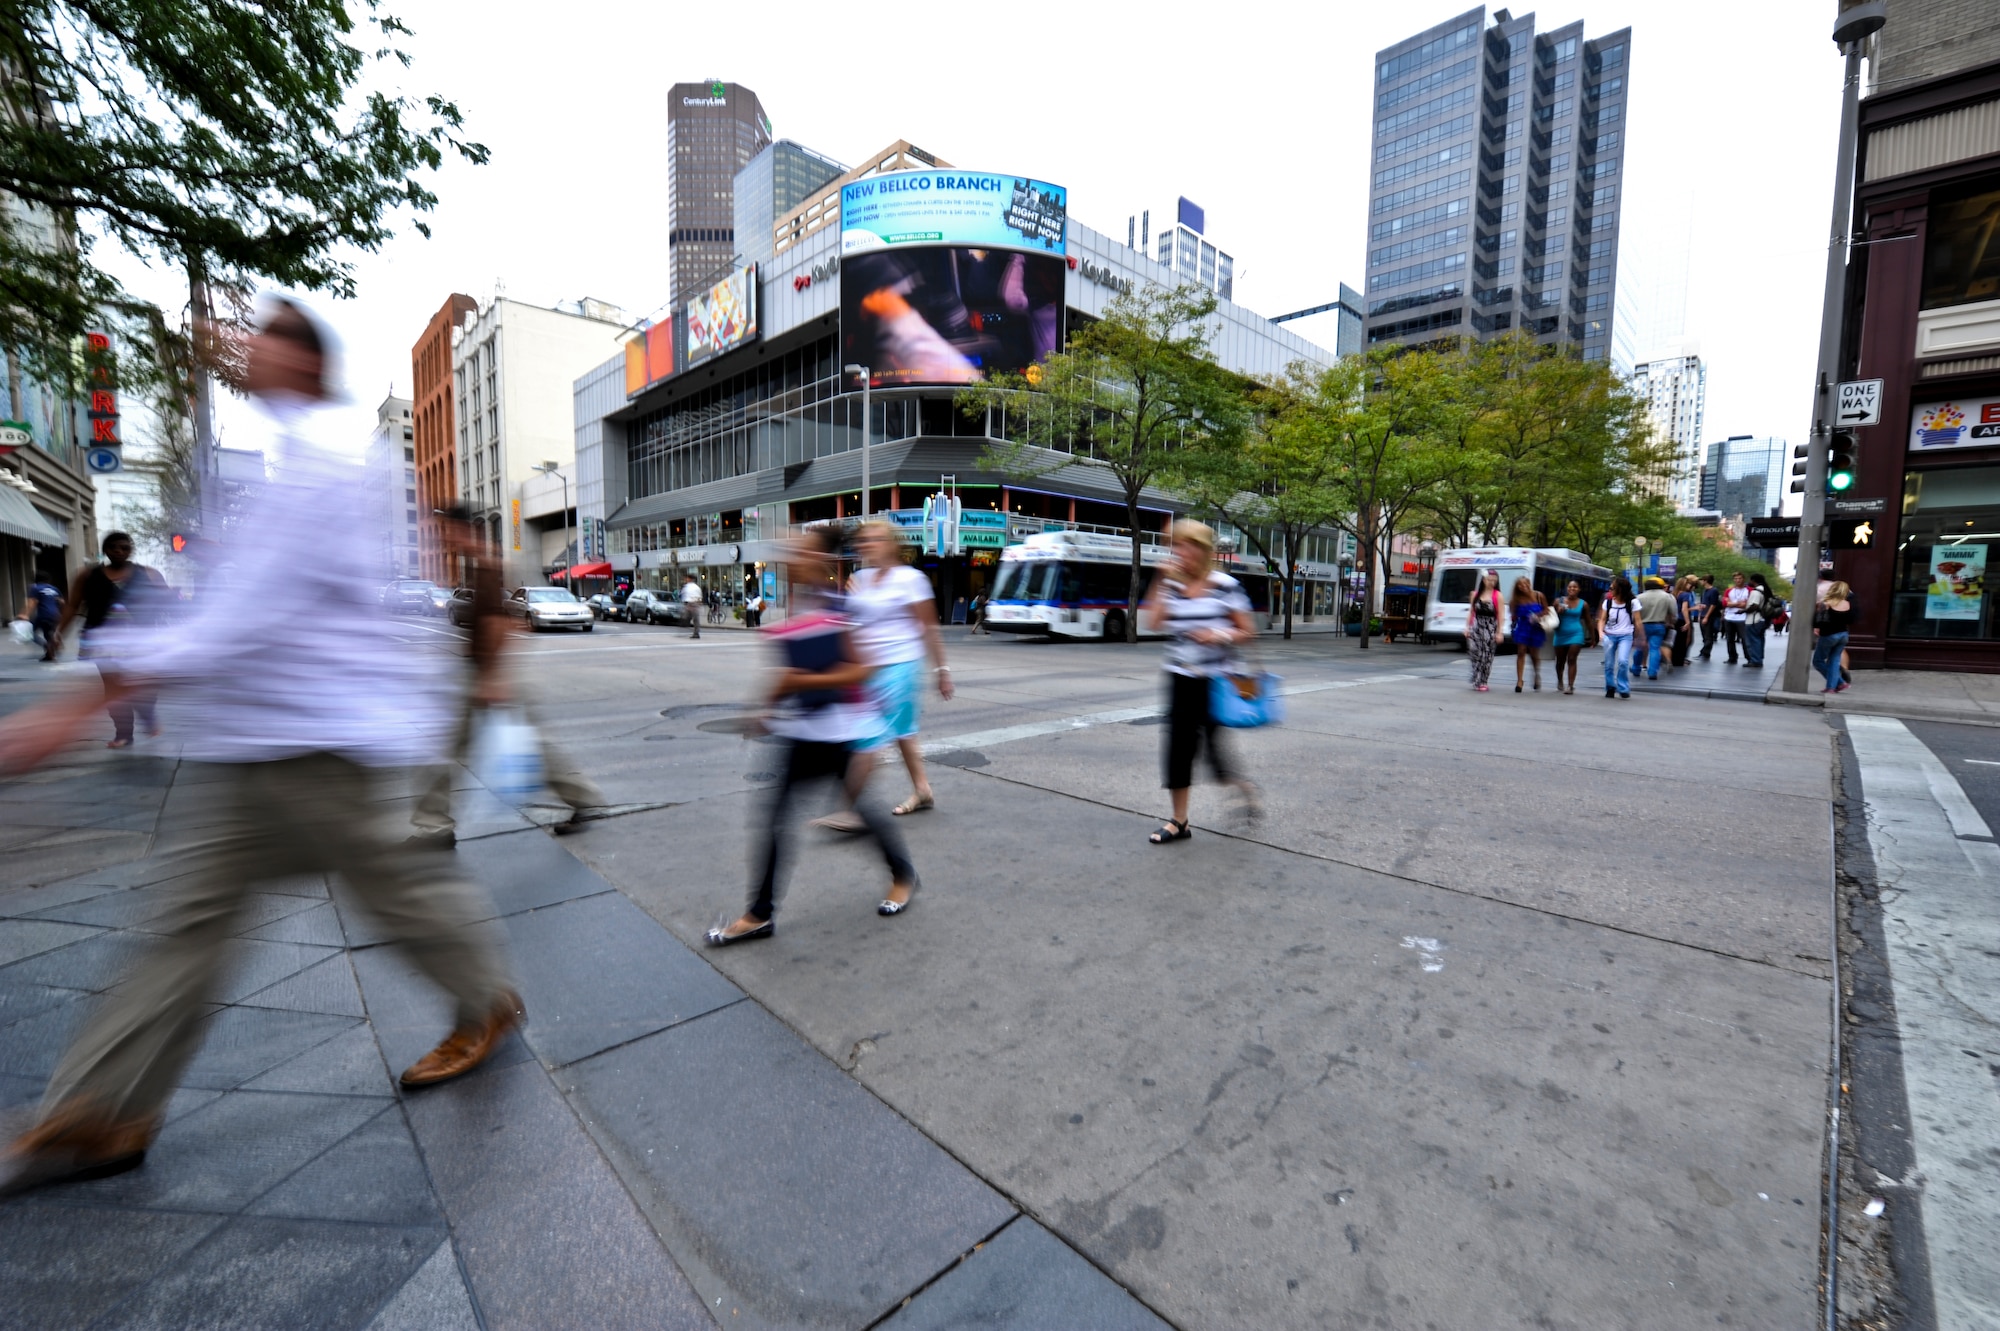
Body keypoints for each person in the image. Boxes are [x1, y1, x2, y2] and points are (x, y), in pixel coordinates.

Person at [0, 299, 519, 1196]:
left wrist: (91, 696)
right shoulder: (279, 475)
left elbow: (240, 618)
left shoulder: (321, 473)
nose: (244, 350)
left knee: (395, 898)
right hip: (249, 748)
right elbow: (225, 609)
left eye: (266, 338)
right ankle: (101, 1107)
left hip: (321, 748)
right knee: (186, 930)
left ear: (308, 365)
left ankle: (485, 998)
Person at [705, 527, 920, 944]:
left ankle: (903, 874)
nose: (790, 558)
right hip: (800, 734)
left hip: (838, 734)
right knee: (773, 820)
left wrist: (800, 683)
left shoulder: (841, 606)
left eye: (800, 552)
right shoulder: (799, 605)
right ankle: (760, 913)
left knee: (865, 811)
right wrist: (770, 708)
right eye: (788, 551)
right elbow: (789, 675)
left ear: (820, 561)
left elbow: (862, 669)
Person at [409, 504, 605, 846]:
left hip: (485, 679)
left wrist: (494, 677)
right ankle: (580, 797)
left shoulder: (487, 567)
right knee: (527, 748)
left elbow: (502, 623)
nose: (449, 538)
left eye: (451, 531)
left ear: (466, 530)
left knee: (446, 751)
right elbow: (513, 621)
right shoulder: (482, 565)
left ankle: (434, 825)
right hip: (484, 676)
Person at [1139, 520, 1261, 843]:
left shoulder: (1226, 586)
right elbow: (1152, 622)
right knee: (1177, 750)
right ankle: (1179, 822)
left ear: (1203, 550)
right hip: (1180, 677)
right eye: (1175, 546)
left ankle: (1243, 787)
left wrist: (1217, 634)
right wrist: (1161, 580)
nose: (1179, 553)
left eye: (1186, 546)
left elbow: (1248, 631)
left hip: (1216, 682)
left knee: (1213, 754)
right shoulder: (1173, 585)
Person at [847, 521, 954, 815]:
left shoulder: (910, 579)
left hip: (902, 664)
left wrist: (941, 671)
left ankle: (850, 809)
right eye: (864, 540)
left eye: (876, 539)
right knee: (903, 732)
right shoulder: (861, 578)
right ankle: (923, 790)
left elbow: (930, 628)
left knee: (869, 733)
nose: (868, 545)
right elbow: (853, 626)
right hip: (869, 668)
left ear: (892, 544)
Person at [53, 531, 168, 746]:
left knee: (141, 683)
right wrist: (59, 633)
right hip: (102, 642)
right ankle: (123, 734)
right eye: (113, 547)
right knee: (114, 688)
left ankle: (148, 715)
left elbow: (168, 602)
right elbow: (72, 605)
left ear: (131, 549)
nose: (119, 551)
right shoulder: (87, 576)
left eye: (124, 547)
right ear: (105, 549)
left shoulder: (150, 574)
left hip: (141, 640)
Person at [1598, 576, 1639, 699]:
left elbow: (1638, 621)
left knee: (1623, 661)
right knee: (1609, 664)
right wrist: (1601, 632)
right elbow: (1602, 619)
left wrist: (1640, 636)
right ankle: (1610, 687)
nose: (1610, 590)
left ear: (1620, 589)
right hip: (1610, 636)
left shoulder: (1633, 602)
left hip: (1625, 635)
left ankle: (1623, 687)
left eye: (1612, 588)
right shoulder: (1608, 602)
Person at [1550, 580, 1592, 695]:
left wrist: (1594, 637)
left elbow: (1588, 621)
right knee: (1560, 661)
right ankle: (1560, 681)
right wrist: (1558, 611)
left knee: (1572, 658)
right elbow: (1550, 616)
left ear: (1579, 589)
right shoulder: (1558, 601)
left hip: (1576, 634)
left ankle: (1570, 685)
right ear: (1567, 589)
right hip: (1560, 634)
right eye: (1570, 587)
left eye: (1575, 587)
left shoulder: (1583, 604)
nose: (1572, 589)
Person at [1463, 569, 1502, 692]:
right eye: (1489, 580)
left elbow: (1501, 615)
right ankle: (1476, 674)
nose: (1491, 583)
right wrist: (1467, 627)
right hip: (1476, 626)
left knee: (1487, 656)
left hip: (1490, 628)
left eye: (1494, 581)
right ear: (1484, 580)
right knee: (1474, 651)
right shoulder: (1475, 594)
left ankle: (1483, 680)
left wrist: (1499, 632)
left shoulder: (1498, 596)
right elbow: (1471, 611)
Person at [1813, 582, 1855, 694]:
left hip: (1829, 635)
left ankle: (1840, 682)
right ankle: (1831, 687)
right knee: (1834, 661)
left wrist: (1817, 627)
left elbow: (1819, 621)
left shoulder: (1825, 604)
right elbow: (1851, 620)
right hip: (1843, 635)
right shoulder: (1848, 604)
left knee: (1818, 661)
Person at [1636, 576, 1677, 681]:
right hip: (1659, 625)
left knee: (1640, 648)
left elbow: (1635, 614)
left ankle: (1636, 668)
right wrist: (1671, 622)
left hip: (1643, 625)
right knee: (1655, 648)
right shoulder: (1667, 597)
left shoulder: (1639, 597)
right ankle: (1652, 672)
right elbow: (1673, 613)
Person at [1510, 577, 1547, 692]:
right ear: (1517, 587)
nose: (1523, 586)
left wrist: (1538, 615)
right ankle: (1519, 680)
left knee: (1534, 654)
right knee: (1521, 652)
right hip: (1523, 627)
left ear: (1529, 584)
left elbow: (1547, 609)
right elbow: (1513, 615)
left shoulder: (1538, 595)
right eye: (1520, 585)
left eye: (1525, 584)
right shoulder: (1516, 599)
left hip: (1536, 627)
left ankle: (1536, 674)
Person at [17, 574, 63, 662]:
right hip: (55, 615)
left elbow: (32, 603)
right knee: (48, 634)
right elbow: (62, 602)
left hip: (43, 615)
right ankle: (50, 654)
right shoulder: (54, 589)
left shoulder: (36, 588)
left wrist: (25, 615)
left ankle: (47, 646)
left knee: (28, 633)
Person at [1742, 573, 1773, 669]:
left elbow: (1754, 605)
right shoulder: (1766, 591)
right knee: (1760, 639)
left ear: (1754, 580)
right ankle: (1759, 658)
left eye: (1750, 580)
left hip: (1754, 619)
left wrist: (1743, 611)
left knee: (1753, 640)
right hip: (1763, 619)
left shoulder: (1756, 592)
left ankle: (1755, 660)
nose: (1749, 582)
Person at [1718, 572, 1750, 664]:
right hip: (1729, 617)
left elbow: (1747, 604)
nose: (1738, 580)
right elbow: (1725, 603)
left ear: (1743, 579)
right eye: (1736, 579)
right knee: (1730, 639)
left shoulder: (1749, 590)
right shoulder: (1729, 591)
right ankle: (1732, 657)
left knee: (1744, 639)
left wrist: (1732, 603)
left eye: (1739, 578)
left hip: (1742, 618)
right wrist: (1738, 603)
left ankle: (1749, 658)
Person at [1670, 576, 1698, 668]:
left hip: (1674, 619)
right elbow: (1684, 609)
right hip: (1681, 619)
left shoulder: (1674, 594)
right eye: (1688, 583)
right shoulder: (1685, 594)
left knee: (1675, 640)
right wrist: (1687, 622)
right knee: (1682, 641)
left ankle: (1672, 659)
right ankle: (1679, 660)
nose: (1690, 585)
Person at [1696, 575, 1721, 659]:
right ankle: (1704, 652)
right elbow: (1702, 603)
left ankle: (1705, 652)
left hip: (1709, 616)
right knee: (1704, 636)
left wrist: (1707, 616)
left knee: (1708, 635)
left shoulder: (1714, 591)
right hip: (1703, 614)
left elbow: (1713, 605)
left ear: (1705, 581)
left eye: (1702, 580)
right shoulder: (1705, 591)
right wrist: (1700, 614)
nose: (1700, 582)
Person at [680, 571, 703, 639]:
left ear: (690, 579)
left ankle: (696, 633)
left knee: (694, 618)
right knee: (693, 618)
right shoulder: (694, 587)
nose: (685, 580)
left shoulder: (691, 587)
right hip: (692, 603)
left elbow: (682, 594)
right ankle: (694, 631)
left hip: (692, 603)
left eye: (686, 578)